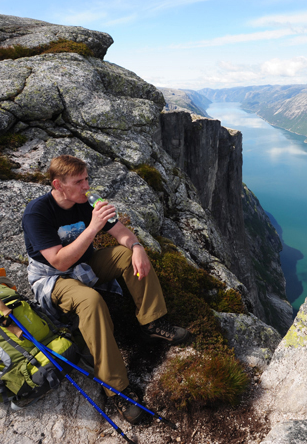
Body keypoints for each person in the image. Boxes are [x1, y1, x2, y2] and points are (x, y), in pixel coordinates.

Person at [21, 155, 188, 424]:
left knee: (125, 256)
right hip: (53, 278)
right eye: (79, 181)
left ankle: (152, 323)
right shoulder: (38, 213)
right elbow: (58, 260)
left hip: (85, 263)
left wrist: (136, 247)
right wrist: (94, 226)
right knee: (90, 300)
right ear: (58, 185)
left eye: (87, 179)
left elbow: (122, 233)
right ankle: (117, 389)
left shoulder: (88, 201)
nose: (86, 186)